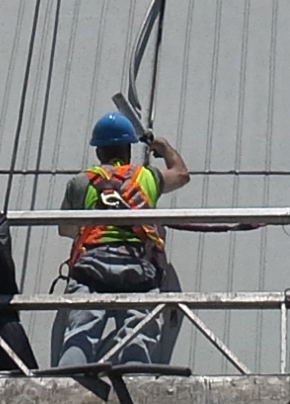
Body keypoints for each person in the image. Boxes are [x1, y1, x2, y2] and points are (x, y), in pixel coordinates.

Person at [51, 110, 191, 368]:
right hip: (137, 267)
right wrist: (163, 146)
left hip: (90, 269)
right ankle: (134, 381)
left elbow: (66, 229)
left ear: (98, 151)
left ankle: (70, 379)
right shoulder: (147, 177)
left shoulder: (81, 182)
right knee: (138, 332)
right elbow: (181, 174)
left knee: (81, 332)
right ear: (128, 149)